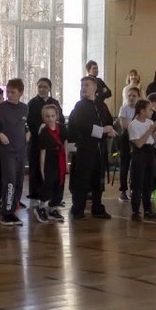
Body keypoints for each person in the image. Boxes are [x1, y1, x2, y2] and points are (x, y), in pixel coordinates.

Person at [67, 77, 116, 220]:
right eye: (82, 85)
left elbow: (108, 120)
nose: (83, 88)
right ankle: (78, 209)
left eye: (87, 85)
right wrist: (102, 130)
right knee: (82, 179)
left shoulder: (101, 104)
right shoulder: (80, 106)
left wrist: (109, 129)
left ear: (95, 88)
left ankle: (97, 208)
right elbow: (81, 125)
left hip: (99, 148)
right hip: (85, 147)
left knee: (98, 179)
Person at [0, 78, 28, 226]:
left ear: (21, 93)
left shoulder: (24, 108)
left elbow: (24, 125)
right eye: (8, 92)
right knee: (10, 182)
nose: (10, 95)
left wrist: (28, 132)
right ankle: (6, 213)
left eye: (13, 92)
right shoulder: (0, 109)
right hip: (7, 152)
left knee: (19, 181)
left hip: (21, 151)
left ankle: (13, 208)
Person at [26, 78, 61, 209]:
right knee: (35, 169)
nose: (42, 89)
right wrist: (41, 127)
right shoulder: (32, 103)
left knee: (50, 171)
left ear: (49, 88)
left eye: (45, 87)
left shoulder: (55, 102)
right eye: (40, 86)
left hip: (52, 144)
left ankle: (49, 196)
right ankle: (35, 196)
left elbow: (60, 119)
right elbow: (29, 121)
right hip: (36, 141)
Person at [34, 104, 68, 223]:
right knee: (48, 182)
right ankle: (41, 207)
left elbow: (65, 144)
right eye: (47, 116)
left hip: (60, 158)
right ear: (44, 117)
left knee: (60, 182)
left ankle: (53, 208)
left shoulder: (62, 128)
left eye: (53, 116)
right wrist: (42, 168)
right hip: (49, 159)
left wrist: (66, 162)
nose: (50, 118)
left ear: (56, 116)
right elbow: (42, 152)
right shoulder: (44, 132)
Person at [126, 99, 156, 221]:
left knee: (148, 182)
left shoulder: (149, 122)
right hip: (139, 154)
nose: (152, 111)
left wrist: (154, 132)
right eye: (149, 109)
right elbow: (138, 144)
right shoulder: (133, 124)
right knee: (138, 183)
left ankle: (148, 210)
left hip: (149, 152)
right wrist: (149, 130)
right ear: (142, 111)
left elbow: (154, 140)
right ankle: (135, 211)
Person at [115, 86, 141, 202]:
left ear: (138, 97)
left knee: (135, 165)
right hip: (126, 138)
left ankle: (134, 189)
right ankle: (123, 190)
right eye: (129, 95)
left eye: (134, 96)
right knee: (124, 164)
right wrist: (136, 125)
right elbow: (124, 124)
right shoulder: (124, 108)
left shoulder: (140, 109)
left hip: (138, 137)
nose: (131, 98)